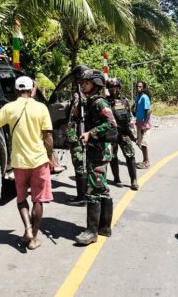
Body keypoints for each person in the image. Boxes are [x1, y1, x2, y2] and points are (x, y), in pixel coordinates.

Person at [0, 76, 55, 251]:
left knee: (21, 199)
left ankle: (27, 229)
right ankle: (33, 239)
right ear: (32, 90)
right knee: (38, 200)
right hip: (38, 161)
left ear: (15, 91)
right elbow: (48, 137)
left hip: (19, 162)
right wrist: (50, 157)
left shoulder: (9, 108)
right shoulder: (41, 108)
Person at [75, 69, 118, 246]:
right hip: (99, 149)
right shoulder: (91, 101)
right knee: (102, 187)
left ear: (95, 84)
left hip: (99, 150)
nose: (83, 85)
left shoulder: (100, 102)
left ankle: (91, 232)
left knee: (93, 190)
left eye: (86, 82)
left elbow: (111, 123)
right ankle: (104, 227)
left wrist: (90, 133)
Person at [106, 78, 139, 190]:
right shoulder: (105, 102)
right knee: (113, 156)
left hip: (124, 132)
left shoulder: (124, 101)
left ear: (119, 88)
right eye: (111, 87)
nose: (113, 89)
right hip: (112, 133)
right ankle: (117, 179)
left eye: (115, 87)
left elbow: (129, 117)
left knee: (130, 155)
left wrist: (132, 132)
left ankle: (134, 180)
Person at [65, 65, 90, 206]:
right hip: (83, 133)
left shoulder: (79, 94)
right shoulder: (89, 92)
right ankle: (84, 195)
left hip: (79, 134)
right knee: (82, 165)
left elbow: (75, 113)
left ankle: (82, 197)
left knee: (80, 165)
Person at [134, 81, 152, 169]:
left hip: (144, 123)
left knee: (144, 143)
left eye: (140, 87)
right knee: (139, 142)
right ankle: (145, 159)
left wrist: (145, 124)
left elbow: (149, 111)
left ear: (144, 88)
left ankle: (146, 162)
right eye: (137, 87)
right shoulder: (138, 97)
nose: (138, 88)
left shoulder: (145, 97)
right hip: (139, 122)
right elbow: (136, 107)